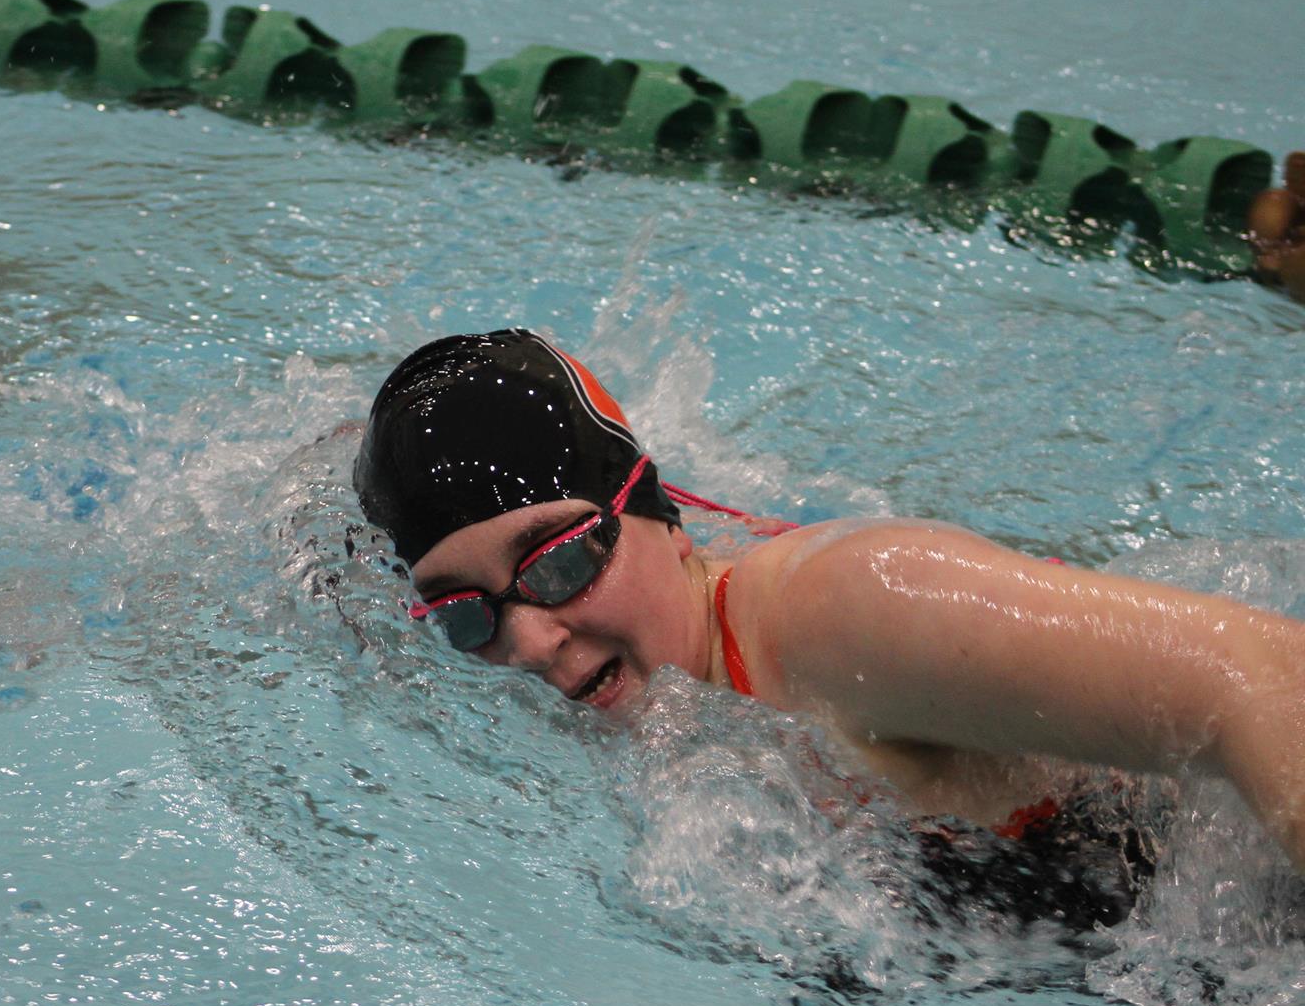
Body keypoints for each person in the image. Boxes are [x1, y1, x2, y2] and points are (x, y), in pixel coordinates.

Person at [353, 329, 1305, 878]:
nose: (526, 640)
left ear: (654, 507)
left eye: (558, 562)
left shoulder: (844, 612)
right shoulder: (668, 680)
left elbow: (1265, 679)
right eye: (465, 615)